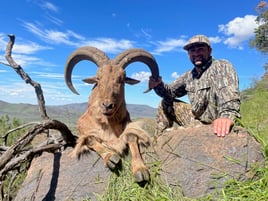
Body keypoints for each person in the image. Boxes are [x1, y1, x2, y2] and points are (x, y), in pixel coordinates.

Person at [149, 34, 241, 137]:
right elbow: (169, 92)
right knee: (165, 102)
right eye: (192, 51)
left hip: (217, 122)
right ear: (188, 54)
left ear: (209, 51)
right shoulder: (189, 75)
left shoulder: (222, 66)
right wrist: (158, 85)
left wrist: (227, 116)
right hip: (197, 121)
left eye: (200, 49)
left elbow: (229, 95)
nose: (196, 53)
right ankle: (160, 142)